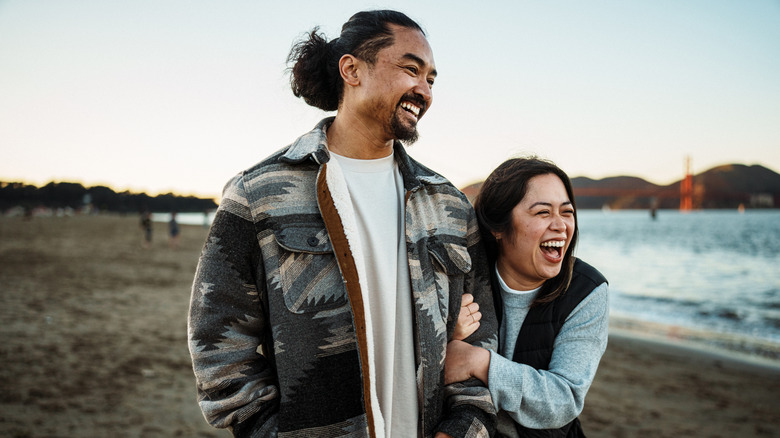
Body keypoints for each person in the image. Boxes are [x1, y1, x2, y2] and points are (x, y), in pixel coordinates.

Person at [187, 10, 498, 438]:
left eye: (431, 78)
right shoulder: (257, 195)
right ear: (351, 69)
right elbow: (219, 344)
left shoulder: (448, 204)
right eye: (411, 69)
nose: (423, 90)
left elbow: (481, 337)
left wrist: (463, 428)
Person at [444, 157, 609, 437]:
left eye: (566, 212)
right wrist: (447, 333)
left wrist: (481, 362)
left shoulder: (587, 290)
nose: (560, 225)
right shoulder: (460, 276)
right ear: (498, 226)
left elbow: (563, 399)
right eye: (543, 212)